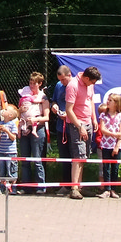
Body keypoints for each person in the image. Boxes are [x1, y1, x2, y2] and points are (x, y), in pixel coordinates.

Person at [63, 66, 102, 199]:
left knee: (84, 156)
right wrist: (80, 126)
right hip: (77, 124)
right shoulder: (72, 86)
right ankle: (74, 188)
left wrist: (94, 118)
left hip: (88, 122)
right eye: (92, 82)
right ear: (86, 78)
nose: (92, 84)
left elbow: (90, 100)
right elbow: (69, 109)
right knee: (78, 155)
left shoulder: (89, 84)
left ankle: (79, 186)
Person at [17, 72, 50, 194]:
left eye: (34, 83)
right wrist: (20, 111)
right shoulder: (25, 95)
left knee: (37, 159)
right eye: (30, 83)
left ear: (40, 84)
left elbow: (46, 117)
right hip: (24, 128)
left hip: (38, 128)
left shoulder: (43, 97)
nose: (31, 86)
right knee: (25, 158)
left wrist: (36, 119)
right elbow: (18, 112)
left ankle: (41, 187)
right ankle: (25, 186)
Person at [97, 92, 121, 198]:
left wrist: (117, 146)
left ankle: (113, 189)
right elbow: (103, 129)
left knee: (115, 168)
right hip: (105, 145)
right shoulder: (103, 115)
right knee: (106, 167)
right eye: (108, 100)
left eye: (110, 100)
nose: (107, 102)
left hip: (117, 146)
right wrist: (114, 134)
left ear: (116, 103)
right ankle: (107, 189)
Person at [52, 65, 73, 194]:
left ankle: (76, 186)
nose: (62, 82)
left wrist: (69, 115)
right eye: (60, 80)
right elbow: (54, 100)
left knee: (75, 157)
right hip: (61, 127)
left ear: (69, 75)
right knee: (64, 157)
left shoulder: (76, 85)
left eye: (64, 79)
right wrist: (54, 106)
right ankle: (66, 185)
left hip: (74, 126)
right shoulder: (58, 86)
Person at [0, 103, 19, 194]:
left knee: (11, 170)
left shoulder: (12, 124)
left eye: (6, 110)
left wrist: (7, 131)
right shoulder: (0, 123)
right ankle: (2, 187)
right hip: (2, 151)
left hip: (11, 152)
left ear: (10, 115)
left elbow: (13, 138)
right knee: (1, 170)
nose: (3, 110)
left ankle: (13, 188)